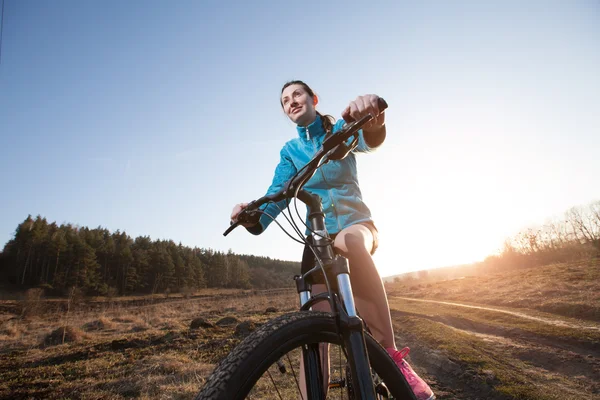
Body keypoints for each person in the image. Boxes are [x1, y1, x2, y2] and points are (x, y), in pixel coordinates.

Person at [230, 80, 435, 400]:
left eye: (297, 94)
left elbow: (370, 140)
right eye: (285, 101)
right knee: (315, 330)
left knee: (348, 243)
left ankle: (395, 361)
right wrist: (249, 215)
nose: (291, 101)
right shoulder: (289, 152)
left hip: (357, 227)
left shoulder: (339, 128)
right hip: (317, 240)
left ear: (313, 99)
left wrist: (372, 116)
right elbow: (275, 198)